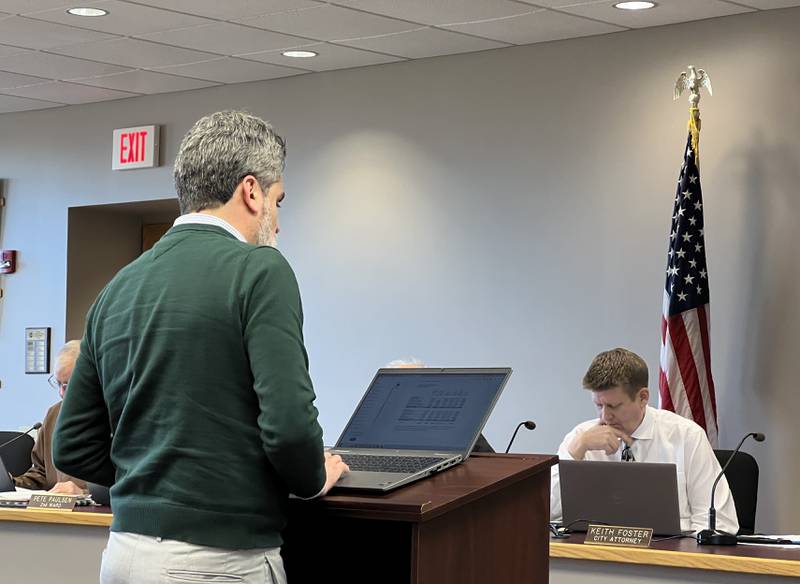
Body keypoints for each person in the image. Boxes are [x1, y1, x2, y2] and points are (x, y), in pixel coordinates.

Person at [53, 110, 348, 583]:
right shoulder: (261, 270)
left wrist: (152, 483)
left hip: (123, 556)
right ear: (251, 191)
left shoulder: (119, 286)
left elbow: (72, 446)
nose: (278, 220)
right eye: (278, 199)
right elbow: (290, 427)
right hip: (218, 560)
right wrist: (315, 479)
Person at [550, 347, 738, 534]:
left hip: (669, 556)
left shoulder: (687, 437)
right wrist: (574, 452)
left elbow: (719, 523)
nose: (605, 416)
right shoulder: (582, 437)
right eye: (598, 405)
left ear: (643, 397)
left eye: (613, 406)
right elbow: (546, 513)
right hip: (595, 556)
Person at [13, 340, 87, 495]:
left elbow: (125, 480)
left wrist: (85, 491)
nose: (61, 392)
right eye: (58, 383)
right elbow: (41, 473)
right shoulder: (54, 413)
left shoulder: (114, 415)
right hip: (55, 510)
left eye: (67, 385)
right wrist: (12, 483)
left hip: (97, 513)